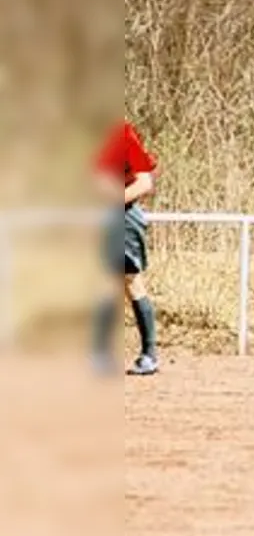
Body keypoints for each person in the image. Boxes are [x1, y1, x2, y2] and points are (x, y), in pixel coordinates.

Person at [93, 118, 161, 376]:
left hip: (123, 215)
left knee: (130, 282)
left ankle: (149, 353)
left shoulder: (122, 134)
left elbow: (144, 182)